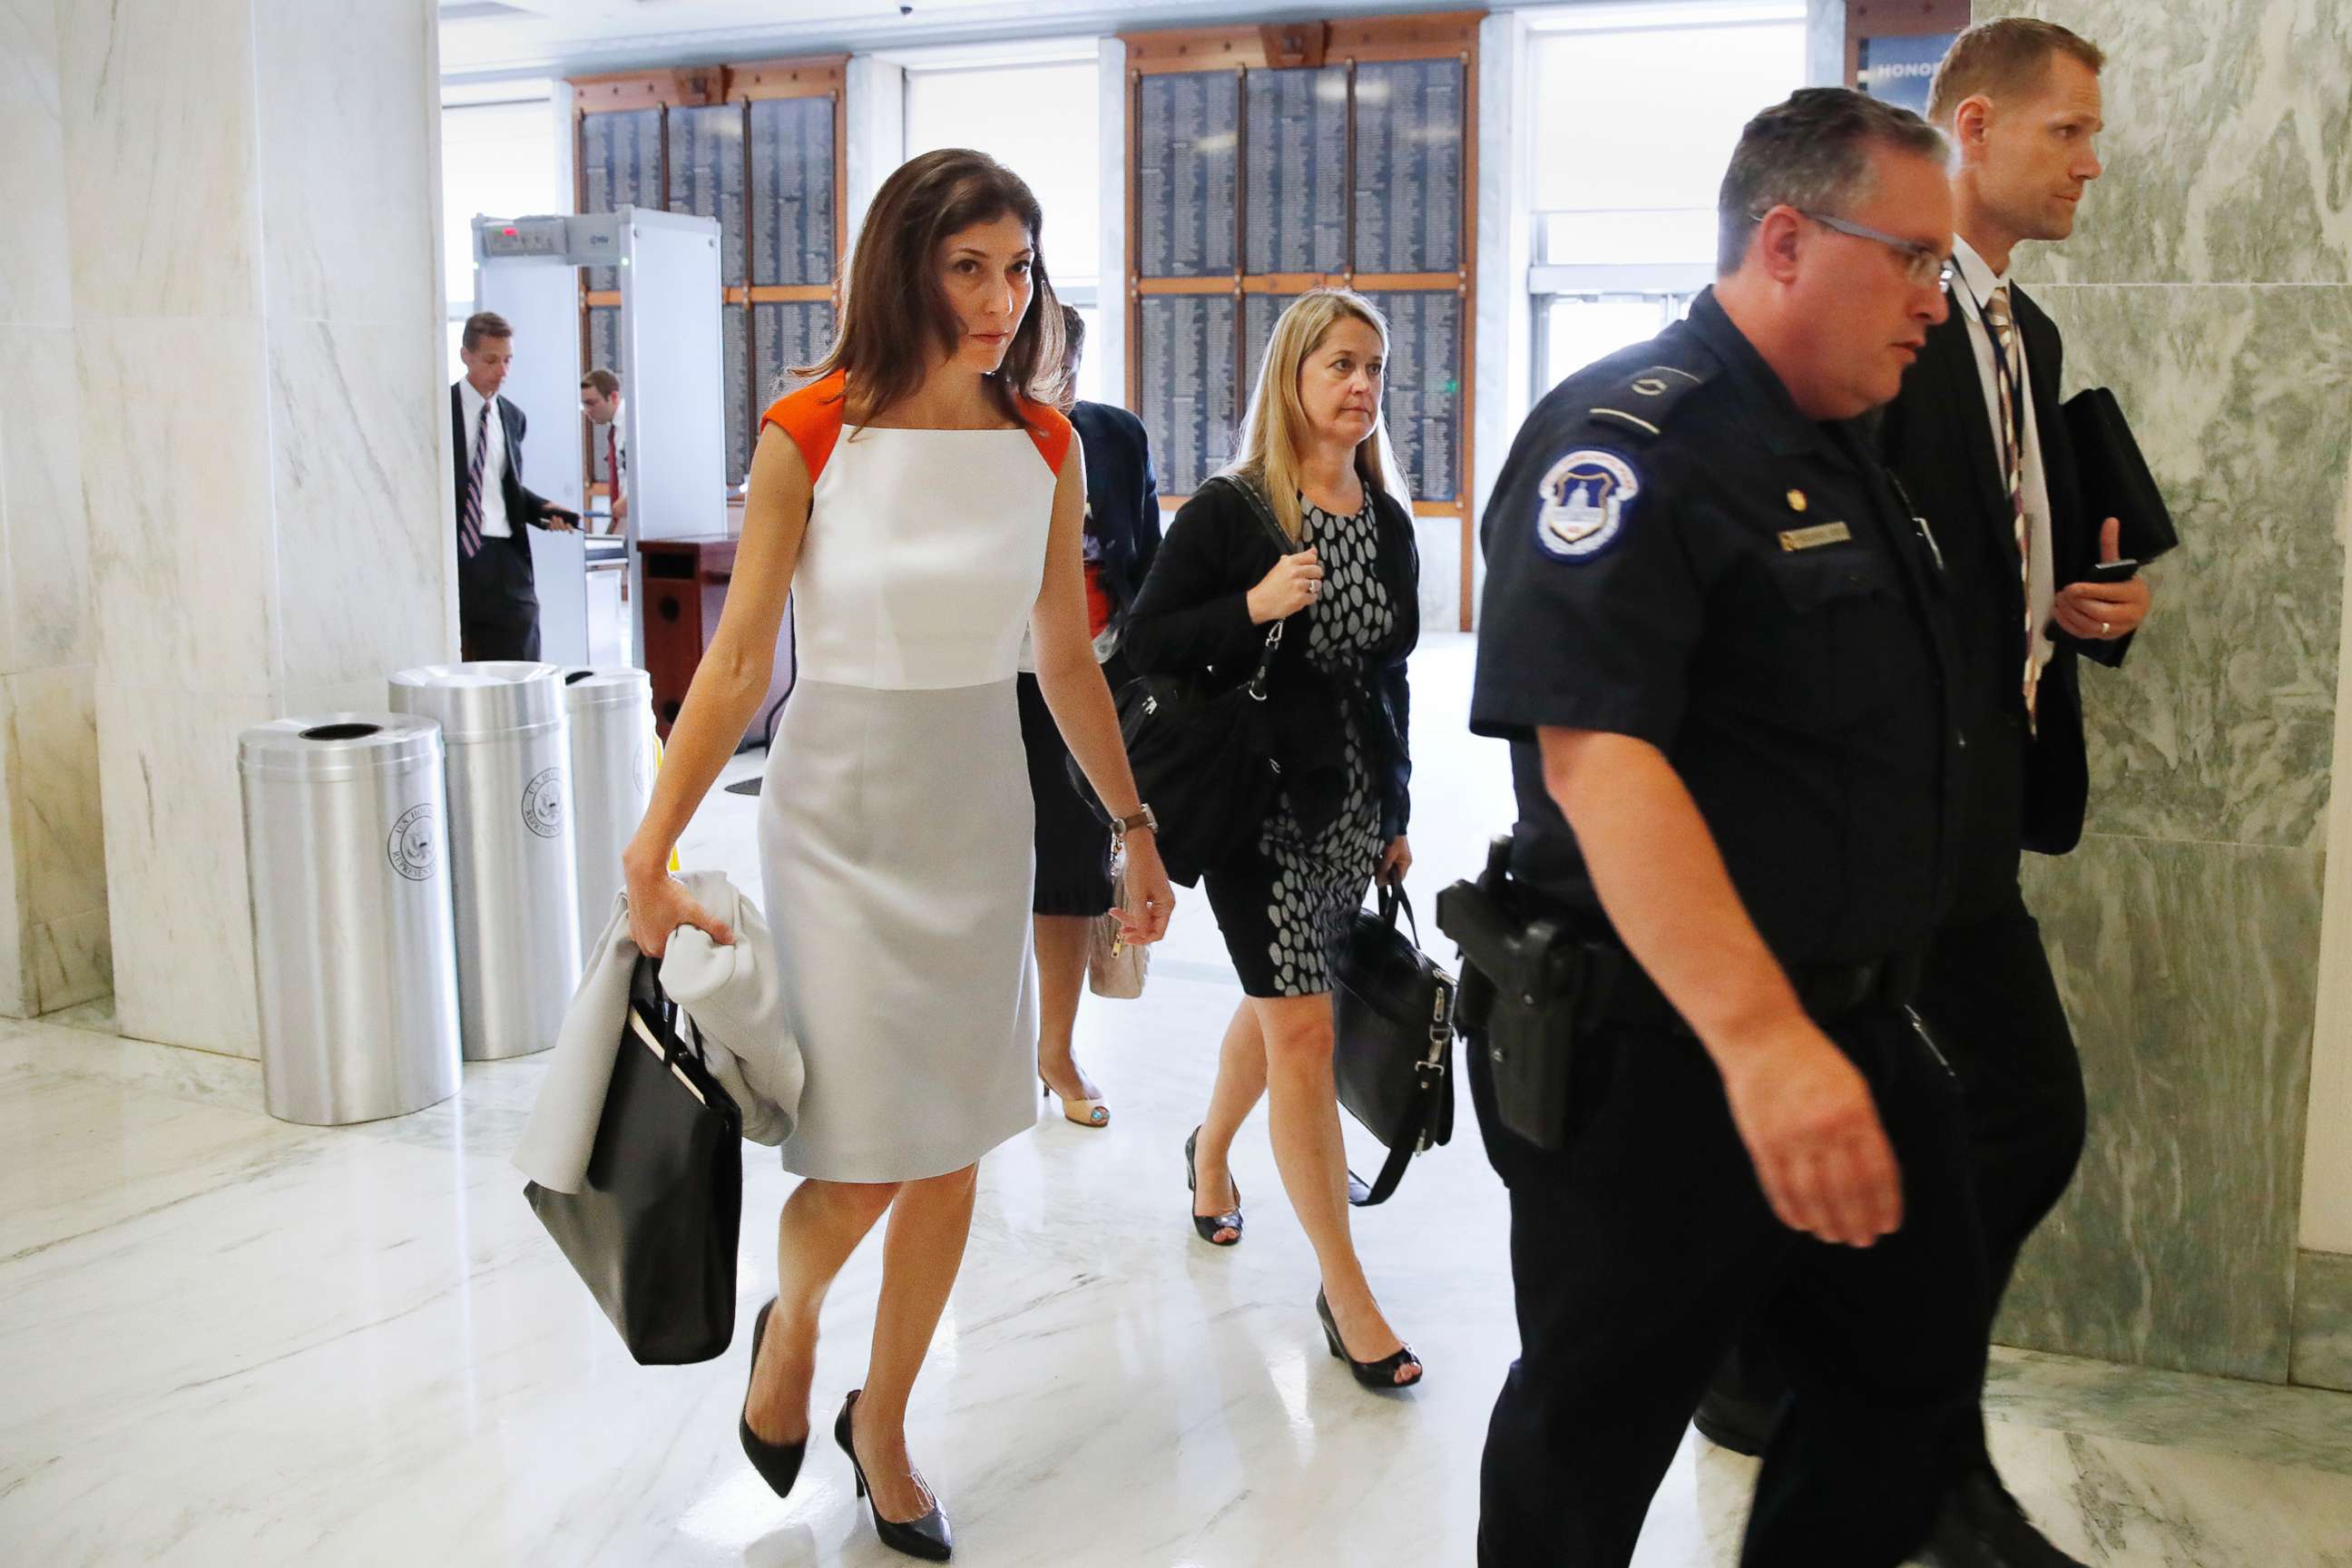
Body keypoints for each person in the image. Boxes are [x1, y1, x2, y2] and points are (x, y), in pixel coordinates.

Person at [618, 149, 1173, 1562]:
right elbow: (741, 661)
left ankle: (890, 1424)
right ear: (905, 266)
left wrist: (1135, 830)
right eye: (970, 266)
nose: (1002, 299)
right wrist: (653, 839)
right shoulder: (810, 430)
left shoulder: (1047, 446)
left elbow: (1064, 653)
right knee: (863, 1152)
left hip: (976, 809)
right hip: (840, 815)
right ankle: (792, 1328)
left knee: (955, 1151)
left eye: (1020, 267)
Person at [1464, 88, 1985, 1566]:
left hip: (1849, 1032)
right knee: (1594, 1426)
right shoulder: (1629, 443)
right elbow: (1600, 757)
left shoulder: (1838, 449)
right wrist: (1762, 1043)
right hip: (1666, 1055)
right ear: (1784, 241)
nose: (1930, 304)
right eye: (1911, 260)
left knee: (1907, 1369)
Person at [1695, 25, 2150, 1568]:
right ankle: (1889, 1438)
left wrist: (2058, 609)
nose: (2092, 158)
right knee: (2008, 1114)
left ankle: (1842, 1401)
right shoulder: (1889, 324)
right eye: (2069, 129)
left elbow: (1968, 551)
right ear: (1975, 123)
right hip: (1881, 816)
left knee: (1987, 1126)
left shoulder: (2021, 333)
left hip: (1972, 797)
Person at [1123, 287, 1423, 1388]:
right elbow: (1142, 641)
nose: (1360, 387)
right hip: (1259, 811)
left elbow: (1389, 676)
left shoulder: (1384, 519)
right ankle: (1346, 1294)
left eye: (1374, 369)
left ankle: (1209, 1154)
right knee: (1303, 1033)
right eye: (1340, 363)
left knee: (1281, 1011)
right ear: (1292, 375)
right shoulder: (1236, 512)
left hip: (1348, 809)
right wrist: (1251, 607)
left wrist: (1396, 809)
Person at [1022, 304, 1164, 1128]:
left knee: (1073, 872)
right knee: (978, 868)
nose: (1056, 384)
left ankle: (1056, 1047)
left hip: (1091, 670)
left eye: (1067, 368)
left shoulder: (1112, 436)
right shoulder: (977, 436)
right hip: (989, 676)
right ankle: (989, 1044)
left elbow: (1142, 554)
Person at [450, 311, 578, 661]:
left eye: (508, 360)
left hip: (506, 557)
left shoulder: (512, 416)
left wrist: (542, 511)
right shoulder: (441, 410)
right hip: (458, 555)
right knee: (463, 663)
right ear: (466, 356)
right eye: (491, 360)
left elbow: (500, 488)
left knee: (522, 657)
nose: (502, 371)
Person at [580, 367, 626, 529]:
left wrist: (629, 499)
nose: (587, 411)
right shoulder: (615, 429)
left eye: (592, 404)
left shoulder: (633, 425)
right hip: (623, 516)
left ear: (613, 397)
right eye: (584, 405)